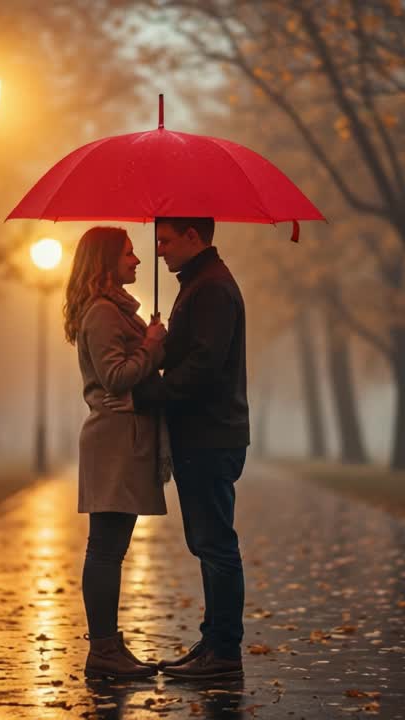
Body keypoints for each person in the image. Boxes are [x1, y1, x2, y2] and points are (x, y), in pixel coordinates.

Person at [112, 216, 249, 681]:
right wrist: (160, 344)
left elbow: (204, 367)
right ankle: (214, 640)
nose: (159, 251)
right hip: (207, 432)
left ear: (194, 237)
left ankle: (225, 650)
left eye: (167, 240)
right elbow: (194, 353)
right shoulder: (200, 283)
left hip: (209, 433)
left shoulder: (209, 288)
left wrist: (151, 392)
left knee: (214, 543)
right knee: (207, 541)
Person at [63, 225, 169, 680]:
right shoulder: (104, 313)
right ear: (107, 261)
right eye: (129, 254)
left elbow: (134, 370)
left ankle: (108, 645)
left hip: (122, 438)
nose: (138, 261)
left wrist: (153, 345)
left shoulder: (115, 311)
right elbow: (116, 376)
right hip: (114, 440)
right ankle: (103, 649)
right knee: (105, 549)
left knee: (110, 547)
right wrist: (150, 347)